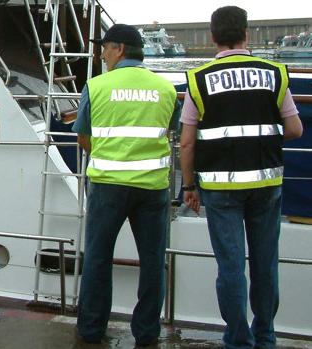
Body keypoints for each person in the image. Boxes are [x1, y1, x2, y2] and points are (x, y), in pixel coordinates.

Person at [180, 6, 303, 349]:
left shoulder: (198, 79)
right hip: (266, 185)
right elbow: (294, 128)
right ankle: (266, 336)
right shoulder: (275, 73)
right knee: (265, 264)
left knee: (231, 266)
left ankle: (238, 339)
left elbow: (187, 141)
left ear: (213, 37)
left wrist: (189, 186)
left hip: (220, 188)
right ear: (246, 34)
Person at [73, 24, 177, 346]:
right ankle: (147, 333)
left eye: (104, 48)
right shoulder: (166, 89)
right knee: (152, 262)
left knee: (98, 257)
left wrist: (108, 155)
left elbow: (82, 137)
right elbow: (168, 134)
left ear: (118, 49)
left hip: (107, 186)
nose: (101, 55)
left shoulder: (97, 86)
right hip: (152, 188)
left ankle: (91, 330)